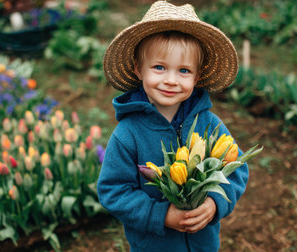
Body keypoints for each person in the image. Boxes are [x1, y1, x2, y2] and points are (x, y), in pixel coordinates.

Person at [97, 1, 249, 251]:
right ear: (138, 69)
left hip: (203, 244)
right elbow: (113, 191)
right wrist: (162, 215)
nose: (170, 80)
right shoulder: (128, 135)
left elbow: (236, 169)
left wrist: (213, 204)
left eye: (184, 71)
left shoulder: (209, 125)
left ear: (197, 77)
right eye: (159, 67)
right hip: (154, 245)